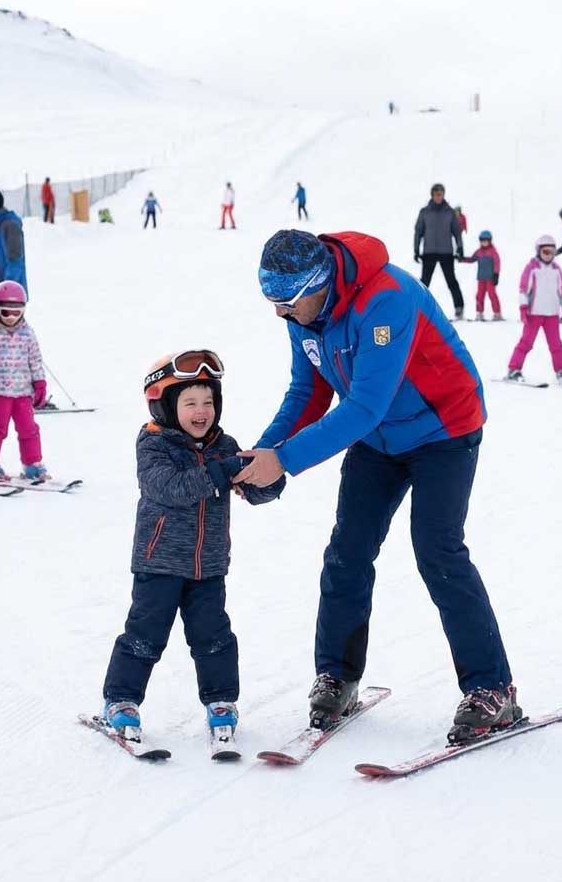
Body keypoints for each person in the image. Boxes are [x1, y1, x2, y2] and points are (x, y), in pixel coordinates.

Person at [234, 229, 521, 743]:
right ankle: (337, 676)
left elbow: (366, 405)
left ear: (319, 284)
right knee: (347, 551)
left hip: (444, 430)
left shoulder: (386, 300)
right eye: (271, 302)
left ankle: (492, 688)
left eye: (286, 303)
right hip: (378, 441)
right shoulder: (304, 314)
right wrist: (264, 454)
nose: (279, 313)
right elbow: (309, 389)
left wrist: (287, 460)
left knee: (438, 551)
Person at [100, 351, 285, 741]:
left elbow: (248, 490)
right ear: (165, 405)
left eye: (208, 401)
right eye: (190, 403)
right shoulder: (153, 445)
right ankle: (121, 699)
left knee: (214, 636)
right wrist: (220, 471)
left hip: (209, 567)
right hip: (159, 564)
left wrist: (266, 481)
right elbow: (170, 488)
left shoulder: (224, 444)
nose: (202, 411)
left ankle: (221, 701)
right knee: (145, 634)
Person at [0, 281, 49, 479]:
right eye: (6, 313)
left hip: (23, 392)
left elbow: (36, 360)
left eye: (17, 312)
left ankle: (32, 464)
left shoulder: (27, 333)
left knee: (29, 429)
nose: (12, 317)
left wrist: (39, 384)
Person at [506, 234, 562, 385]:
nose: (549, 256)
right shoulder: (532, 268)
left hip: (552, 314)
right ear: (539, 252)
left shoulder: (557, 270)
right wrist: (523, 308)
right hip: (534, 314)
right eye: (546, 252)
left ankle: (561, 372)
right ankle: (513, 369)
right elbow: (523, 290)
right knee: (526, 343)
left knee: (556, 344)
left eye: (552, 252)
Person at [413, 183, 466, 319]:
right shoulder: (425, 212)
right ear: (432, 195)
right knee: (424, 282)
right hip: (429, 251)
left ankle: (459, 308)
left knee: (451, 280)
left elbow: (457, 231)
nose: (438, 196)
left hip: (446, 251)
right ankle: (416, 307)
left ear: (443, 195)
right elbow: (418, 231)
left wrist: (460, 248)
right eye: (436, 194)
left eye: (440, 194)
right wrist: (416, 248)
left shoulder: (449, 212)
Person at [461, 230, 503, 321]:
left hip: (490, 278)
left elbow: (497, 263)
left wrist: (496, 274)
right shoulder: (479, 252)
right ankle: (479, 313)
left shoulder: (493, 252)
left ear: (490, 241)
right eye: (482, 240)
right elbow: (472, 259)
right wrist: (462, 259)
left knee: (492, 295)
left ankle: (497, 313)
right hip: (481, 278)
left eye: (486, 240)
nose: (484, 242)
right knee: (479, 295)